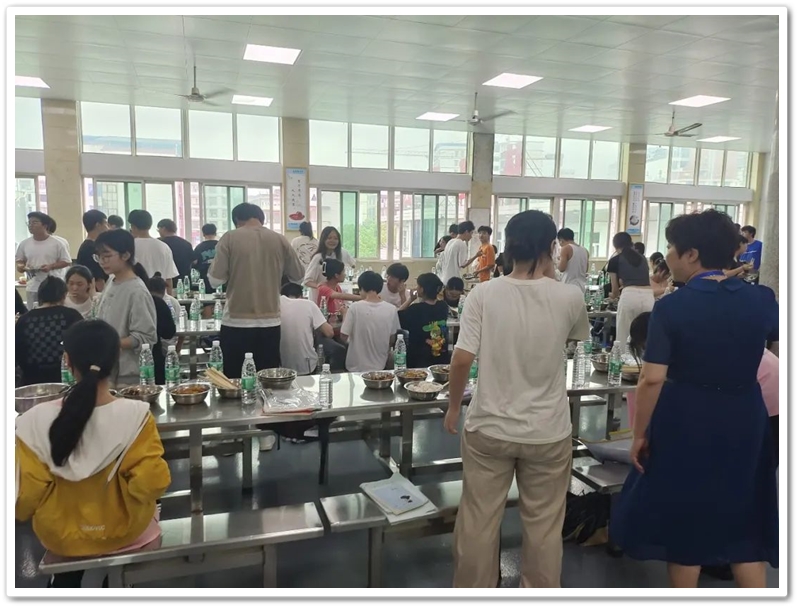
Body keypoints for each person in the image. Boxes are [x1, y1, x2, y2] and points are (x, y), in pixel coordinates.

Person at [610, 210, 778, 588]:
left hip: (687, 417)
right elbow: (776, 349)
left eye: (672, 247)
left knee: (686, 525)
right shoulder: (762, 299)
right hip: (746, 415)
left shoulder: (673, 307)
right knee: (744, 520)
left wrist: (639, 434)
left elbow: (652, 379)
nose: (668, 255)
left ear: (692, 254)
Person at [443, 210, 590, 588]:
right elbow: (572, 338)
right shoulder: (570, 296)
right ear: (551, 247)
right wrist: (549, 275)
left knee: (478, 521)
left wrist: (455, 407)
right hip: (548, 431)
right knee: (544, 527)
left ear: (507, 246)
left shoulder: (483, 294)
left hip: (489, 426)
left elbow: (461, 359)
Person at [15, 319, 171, 587]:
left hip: (61, 537)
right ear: (115, 358)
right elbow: (152, 483)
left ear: (67, 361)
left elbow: (24, 499)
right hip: (126, 532)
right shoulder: (135, 416)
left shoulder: (34, 421)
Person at [208, 203, 304, 379]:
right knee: (267, 380)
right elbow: (298, 277)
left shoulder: (230, 238)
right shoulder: (280, 239)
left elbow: (215, 280)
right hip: (270, 321)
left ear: (237, 220)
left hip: (236, 321)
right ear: (261, 219)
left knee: (235, 380)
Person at [94, 229, 158, 388]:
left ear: (126, 255)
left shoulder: (137, 291)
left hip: (128, 376)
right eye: (99, 256)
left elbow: (145, 337)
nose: (102, 261)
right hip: (107, 368)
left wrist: (111, 343)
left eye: (107, 256)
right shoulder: (111, 281)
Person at [15, 276, 83, 386]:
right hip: (66, 378)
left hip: (32, 381)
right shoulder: (71, 315)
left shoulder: (24, 320)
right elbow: (83, 346)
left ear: (40, 296)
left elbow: (17, 353)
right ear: (63, 295)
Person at [340, 271, 401, 373]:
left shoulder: (354, 307)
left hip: (355, 367)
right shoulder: (392, 309)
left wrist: (344, 314)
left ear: (362, 288)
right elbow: (392, 339)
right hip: (380, 366)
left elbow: (343, 336)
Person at [15, 212, 72, 309]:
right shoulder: (24, 244)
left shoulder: (57, 243)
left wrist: (51, 266)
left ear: (45, 226)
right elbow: (20, 261)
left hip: (53, 285)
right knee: (33, 311)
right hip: (33, 285)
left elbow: (67, 261)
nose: (30, 225)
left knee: (54, 310)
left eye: (34, 222)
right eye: (29, 223)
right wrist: (21, 267)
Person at [608, 232, 654, 345]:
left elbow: (615, 292)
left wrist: (610, 296)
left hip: (629, 297)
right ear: (631, 243)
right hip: (648, 298)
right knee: (646, 338)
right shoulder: (643, 258)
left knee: (624, 338)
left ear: (615, 246)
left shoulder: (614, 260)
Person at [279, 282, 334, 375]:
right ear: (301, 296)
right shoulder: (308, 304)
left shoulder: (277, 304)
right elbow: (329, 333)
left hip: (281, 367)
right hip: (307, 365)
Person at [398, 273, 450, 368]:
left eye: (418, 286)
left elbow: (398, 316)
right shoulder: (443, 306)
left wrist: (410, 299)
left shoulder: (415, 309)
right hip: (440, 357)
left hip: (418, 359)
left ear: (422, 289)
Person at [128, 210, 178, 295]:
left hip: (135, 295)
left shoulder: (129, 247)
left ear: (133, 226)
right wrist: (169, 298)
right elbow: (169, 278)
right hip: (160, 296)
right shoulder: (163, 247)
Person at [302, 226, 356, 304]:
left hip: (337, 298)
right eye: (329, 238)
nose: (332, 241)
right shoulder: (318, 258)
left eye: (335, 238)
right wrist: (322, 287)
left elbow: (353, 264)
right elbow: (307, 281)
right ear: (323, 239)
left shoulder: (342, 253)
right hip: (320, 299)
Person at [143, 275, 177, 385]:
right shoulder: (159, 303)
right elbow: (169, 333)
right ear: (163, 291)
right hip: (154, 354)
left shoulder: (138, 300)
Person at [76, 210, 109, 292]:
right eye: (105, 223)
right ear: (98, 225)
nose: (108, 227)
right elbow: (98, 279)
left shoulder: (94, 245)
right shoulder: (89, 248)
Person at [148, 275, 180, 357]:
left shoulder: (142, 301)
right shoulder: (163, 304)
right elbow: (169, 333)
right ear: (164, 290)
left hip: (143, 349)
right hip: (161, 348)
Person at [157, 218, 194, 289]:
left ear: (163, 228)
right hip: (184, 282)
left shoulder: (159, 244)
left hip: (165, 283)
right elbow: (193, 262)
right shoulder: (186, 244)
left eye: (158, 230)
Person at [556, 228, 589, 292]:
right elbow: (586, 270)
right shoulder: (585, 250)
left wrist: (557, 262)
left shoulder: (565, 248)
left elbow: (561, 269)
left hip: (568, 286)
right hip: (581, 287)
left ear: (561, 240)